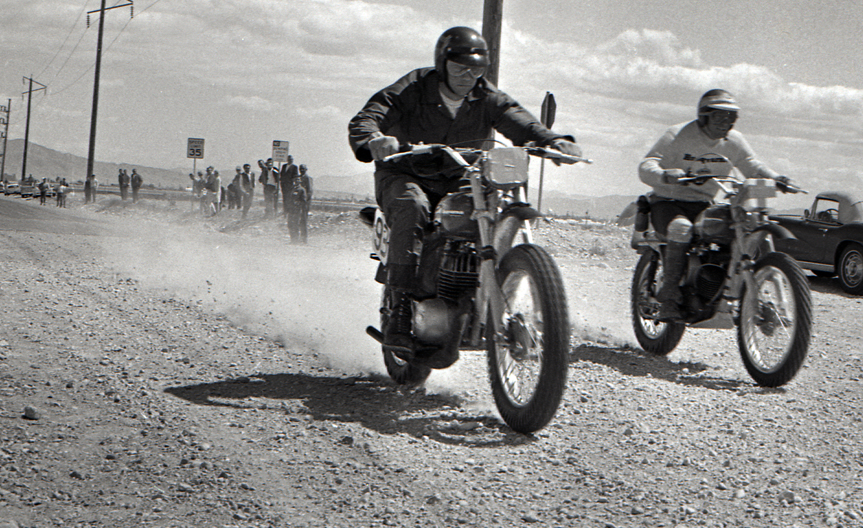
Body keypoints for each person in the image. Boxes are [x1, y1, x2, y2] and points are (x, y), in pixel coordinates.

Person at [348, 26, 582, 354]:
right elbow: (367, 118)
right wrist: (374, 139)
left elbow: (518, 119)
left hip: (459, 177)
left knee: (478, 212)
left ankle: (474, 296)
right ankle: (400, 310)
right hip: (405, 173)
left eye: (477, 70)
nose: (468, 76)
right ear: (442, 64)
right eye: (460, 69)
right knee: (413, 206)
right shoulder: (413, 88)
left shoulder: (485, 96)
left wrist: (553, 141)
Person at [638, 88, 791, 320]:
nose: (727, 122)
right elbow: (647, 164)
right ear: (704, 115)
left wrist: (775, 177)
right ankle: (668, 297)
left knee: (732, 228)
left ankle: (719, 289)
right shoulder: (678, 134)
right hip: (668, 202)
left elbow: (752, 165)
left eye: (732, 117)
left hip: (704, 203)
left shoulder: (734, 141)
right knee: (682, 228)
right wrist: (665, 175)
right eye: (720, 116)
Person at [287, 164, 312, 244]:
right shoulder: (297, 182)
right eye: (300, 169)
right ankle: (295, 239)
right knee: (295, 222)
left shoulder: (307, 178)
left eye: (303, 169)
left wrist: (304, 204)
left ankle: (304, 240)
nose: (302, 170)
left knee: (303, 222)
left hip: (303, 205)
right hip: (296, 207)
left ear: (306, 169)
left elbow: (309, 192)